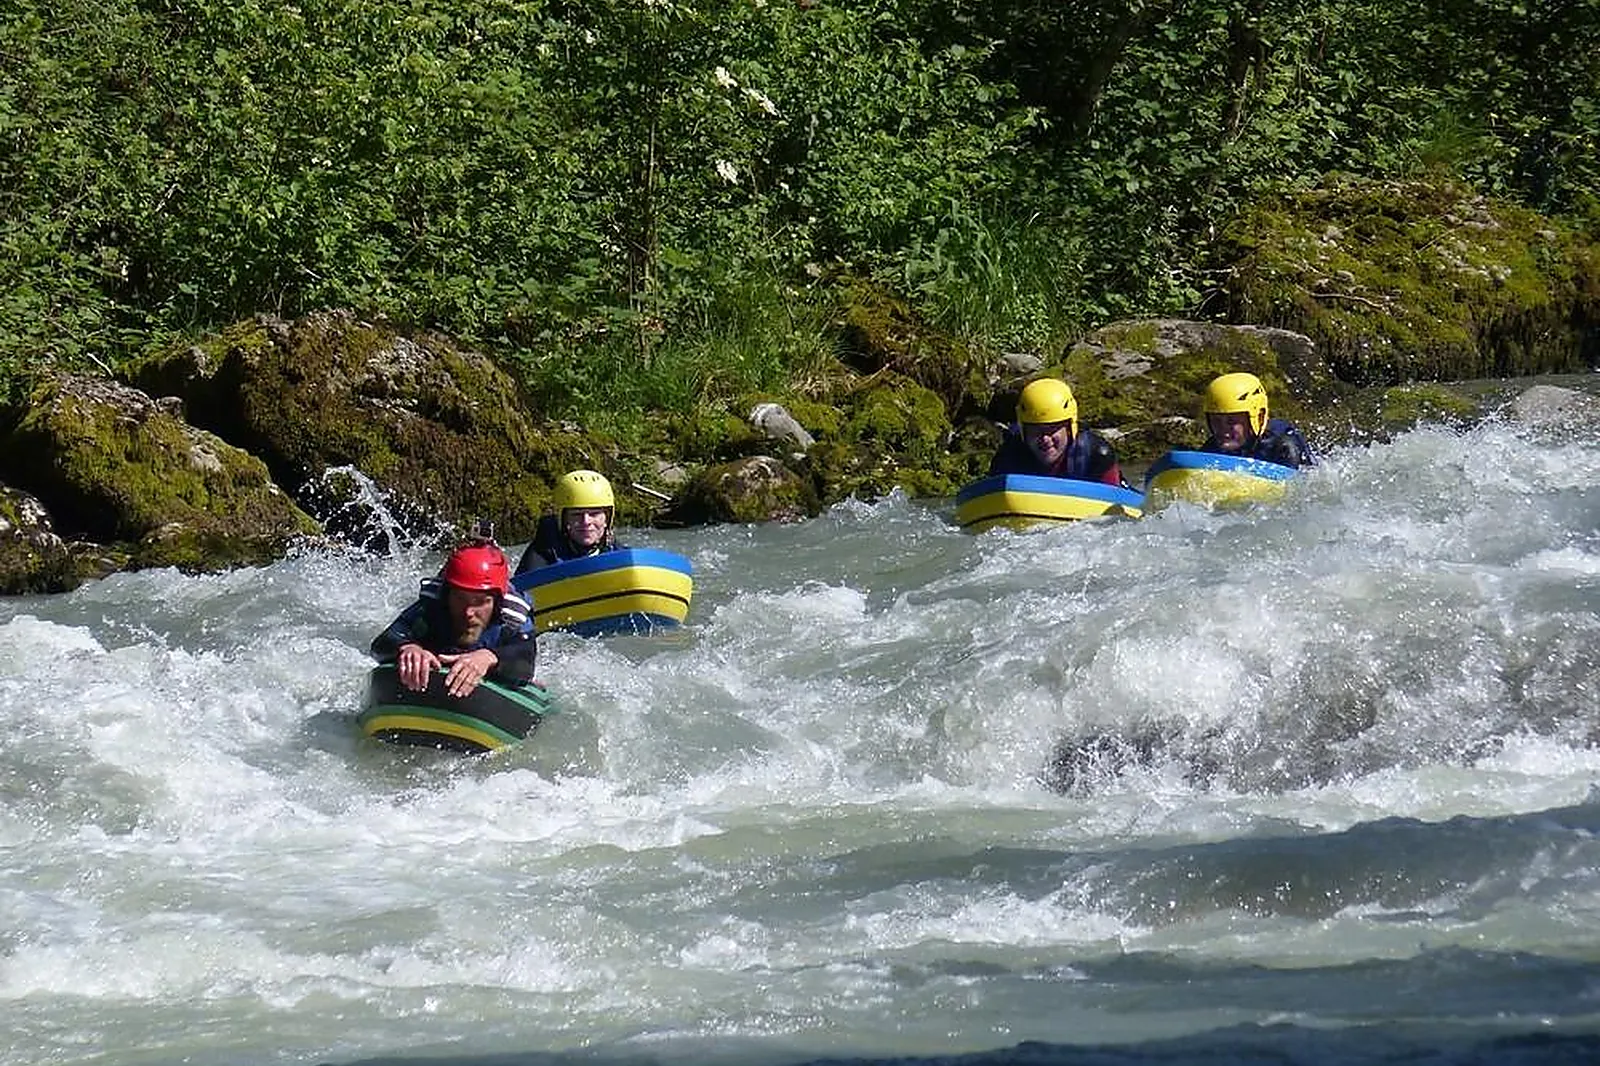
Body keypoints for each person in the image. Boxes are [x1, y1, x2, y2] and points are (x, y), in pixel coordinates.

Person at [371, 533, 536, 697]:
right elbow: (381, 644)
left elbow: (525, 663)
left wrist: (491, 658)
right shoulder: (430, 608)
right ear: (447, 595)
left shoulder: (512, 621)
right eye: (459, 599)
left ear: (497, 603)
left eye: (480, 601)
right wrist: (408, 648)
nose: (468, 612)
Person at [988, 377, 1130, 488]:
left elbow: (1114, 508)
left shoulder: (1096, 455)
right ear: (1023, 431)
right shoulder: (1009, 455)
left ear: (1069, 429)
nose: (1045, 439)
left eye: (1052, 429)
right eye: (1035, 431)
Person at [515, 469, 627, 573]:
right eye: (576, 515)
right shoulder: (541, 554)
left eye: (594, 514)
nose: (586, 521)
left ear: (607, 519)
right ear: (564, 519)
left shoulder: (619, 552)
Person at [1198, 372, 1315, 468]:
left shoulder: (1284, 446)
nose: (1223, 430)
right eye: (1216, 421)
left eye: (1232, 421)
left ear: (1257, 417)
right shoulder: (1213, 447)